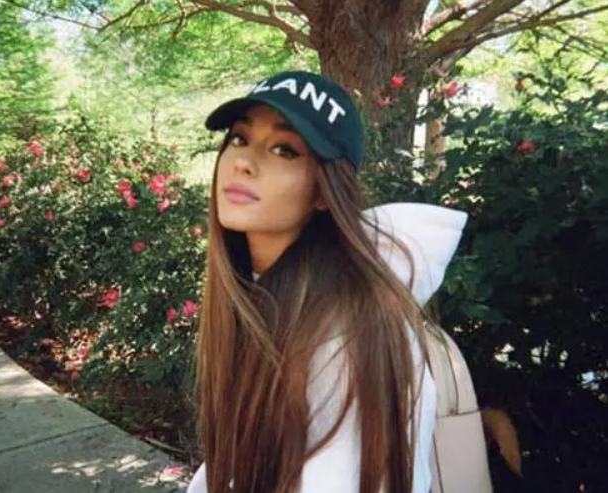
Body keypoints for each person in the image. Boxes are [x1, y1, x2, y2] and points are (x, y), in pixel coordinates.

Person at [186, 71, 468, 493]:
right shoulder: (260, 293)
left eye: (284, 149)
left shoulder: (351, 333)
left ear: (323, 192)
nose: (243, 161)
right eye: (240, 138)